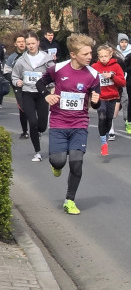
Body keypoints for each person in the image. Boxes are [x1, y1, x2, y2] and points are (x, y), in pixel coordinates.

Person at [33, 34, 101, 214]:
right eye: (85, 53)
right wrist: (46, 95)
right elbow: (40, 83)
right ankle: (55, 165)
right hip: (58, 123)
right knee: (59, 160)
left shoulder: (94, 74)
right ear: (73, 54)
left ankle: (70, 200)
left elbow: (95, 102)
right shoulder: (59, 69)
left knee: (77, 163)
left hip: (80, 124)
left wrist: (96, 101)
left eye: (91, 53)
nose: (89, 57)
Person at [11, 32, 55, 161]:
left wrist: (50, 84)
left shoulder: (47, 59)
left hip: (42, 94)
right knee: (33, 123)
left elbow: (54, 75)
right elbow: (14, 76)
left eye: (33, 43)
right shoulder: (21, 60)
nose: (30, 46)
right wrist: (17, 82)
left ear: (38, 43)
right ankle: (37, 152)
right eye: (28, 44)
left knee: (42, 125)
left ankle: (39, 131)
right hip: (27, 94)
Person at [91, 43, 126, 157]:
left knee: (109, 119)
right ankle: (103, 143)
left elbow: (122, 83)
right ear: (98, 56)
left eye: (105, 56)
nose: (103, 58)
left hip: (112, 97)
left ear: (110, 55)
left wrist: (112, 76)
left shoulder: (116, 66)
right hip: (100, 98)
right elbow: (89, 81)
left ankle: (105, 135)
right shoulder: (95, 67)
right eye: (101, 56)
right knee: (101, 117)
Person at [4, 33, 28, 137]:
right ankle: (25, 131)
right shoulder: (12, 58)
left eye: (23, 41)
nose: (21, 44)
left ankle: (36, 129)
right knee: (22, 108)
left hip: (32, 86)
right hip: (18, 86)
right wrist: (15, 81)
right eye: (19, 42)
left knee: (33, 108)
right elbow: (6, 72)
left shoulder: (31, 55)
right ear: (15, 44)